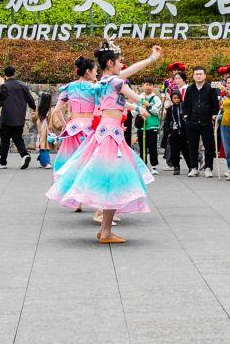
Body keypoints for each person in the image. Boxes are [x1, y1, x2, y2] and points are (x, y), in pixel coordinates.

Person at [46, 45, 157, 242]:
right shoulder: (114, 81)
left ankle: (105, 229)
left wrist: (150, 59)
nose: (122, 65)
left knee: (110, 179)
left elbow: (128, 76)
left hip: (105, 132)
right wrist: (143, 103)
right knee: (113, 180)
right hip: (110, 135)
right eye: (119, 61)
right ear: (109, 63)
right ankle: (105, 231)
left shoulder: (103, 82)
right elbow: (136, 96)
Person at [52, 58, 100, 174]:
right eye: (95, 70)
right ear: (88, 71)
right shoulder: (97, 87)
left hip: (73, 129)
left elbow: (57, 110)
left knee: (70, 161)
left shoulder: (69, 87)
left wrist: (65, 126)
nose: (96, 73)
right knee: (89, 162)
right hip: (90, 127)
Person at [181, 67, 219, 176]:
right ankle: (193, 168)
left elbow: (215, 104)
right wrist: (185, 115)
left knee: (209, 145)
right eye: (196, 74)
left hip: (206, 121)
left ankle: (208, 168)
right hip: (192, 121)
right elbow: (185, 104)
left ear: (205, 75)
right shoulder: (190, 89)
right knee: (192, 145)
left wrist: (214, 115)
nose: (198, 76)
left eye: (200, 74)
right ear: (193, 76)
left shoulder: (210, 88)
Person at [0, 65, 35, 168]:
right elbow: (30, 99)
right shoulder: (22, 86)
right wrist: (34, 107)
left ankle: (2, 162)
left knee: (5, 141)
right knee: (18, 138)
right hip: (19, 118)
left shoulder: (5, 87)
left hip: (7, 118)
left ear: (5, 75)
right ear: (14, 73)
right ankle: (24, 155)